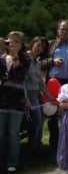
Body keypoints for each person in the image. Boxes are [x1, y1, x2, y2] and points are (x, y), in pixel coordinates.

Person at [45, 19, 68, 157]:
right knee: (53, 117)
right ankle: (54, 149)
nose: (64, 32)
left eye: (67, 29)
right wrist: (51, 61)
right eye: (62, 29)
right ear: (58, 30)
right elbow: (39, 63)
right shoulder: (49, 45)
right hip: (53, 84)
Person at [0, 31, 30, 173]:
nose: (12, 44)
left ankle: (12, 162)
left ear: (21, 45)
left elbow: (20, 78)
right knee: (1, 133)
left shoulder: (25, 60)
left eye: (17, 42)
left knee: (13, 133)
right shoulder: (1, 59)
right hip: (2, 101)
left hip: (17, 102)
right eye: (10, 41)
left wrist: (16, 61)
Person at [24, 36, 51, 155]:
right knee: (37, 121)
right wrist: (25, 99)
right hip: (28, 94)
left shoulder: (37, 61)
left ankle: (35, 146)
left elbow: (41, 82)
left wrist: (50, 98)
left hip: (36, 94)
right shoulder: (25, 58)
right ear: (33, 43)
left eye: (42, 47)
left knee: (40, 120)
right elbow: (22, 81)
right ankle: (34, 148)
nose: (40, 48)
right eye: (38, 45)